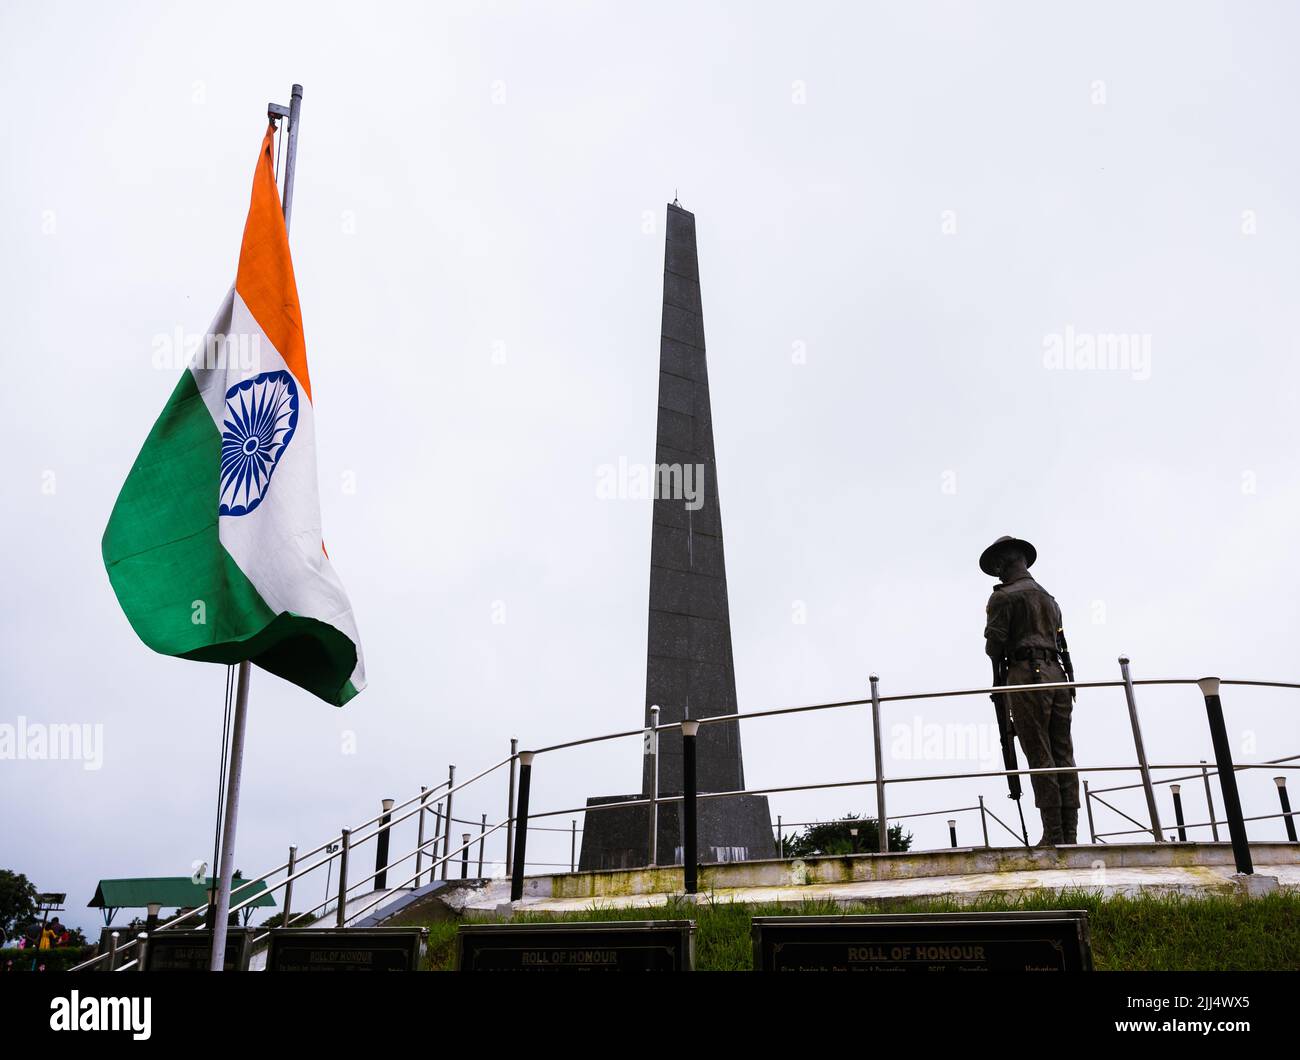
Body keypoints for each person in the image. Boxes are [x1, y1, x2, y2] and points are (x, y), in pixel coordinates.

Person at [981, 536, 1079, 846]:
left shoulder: (1002, 598)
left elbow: (994, 647)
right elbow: (1062, 644)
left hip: (1027, 677)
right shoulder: (1050, 598)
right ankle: (1069, 834)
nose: (997, 572)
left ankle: (1053, 835)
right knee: (1064, 755)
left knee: (1039, 755)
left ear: (1006, 563)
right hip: (1058, 677)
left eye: (998, 565)